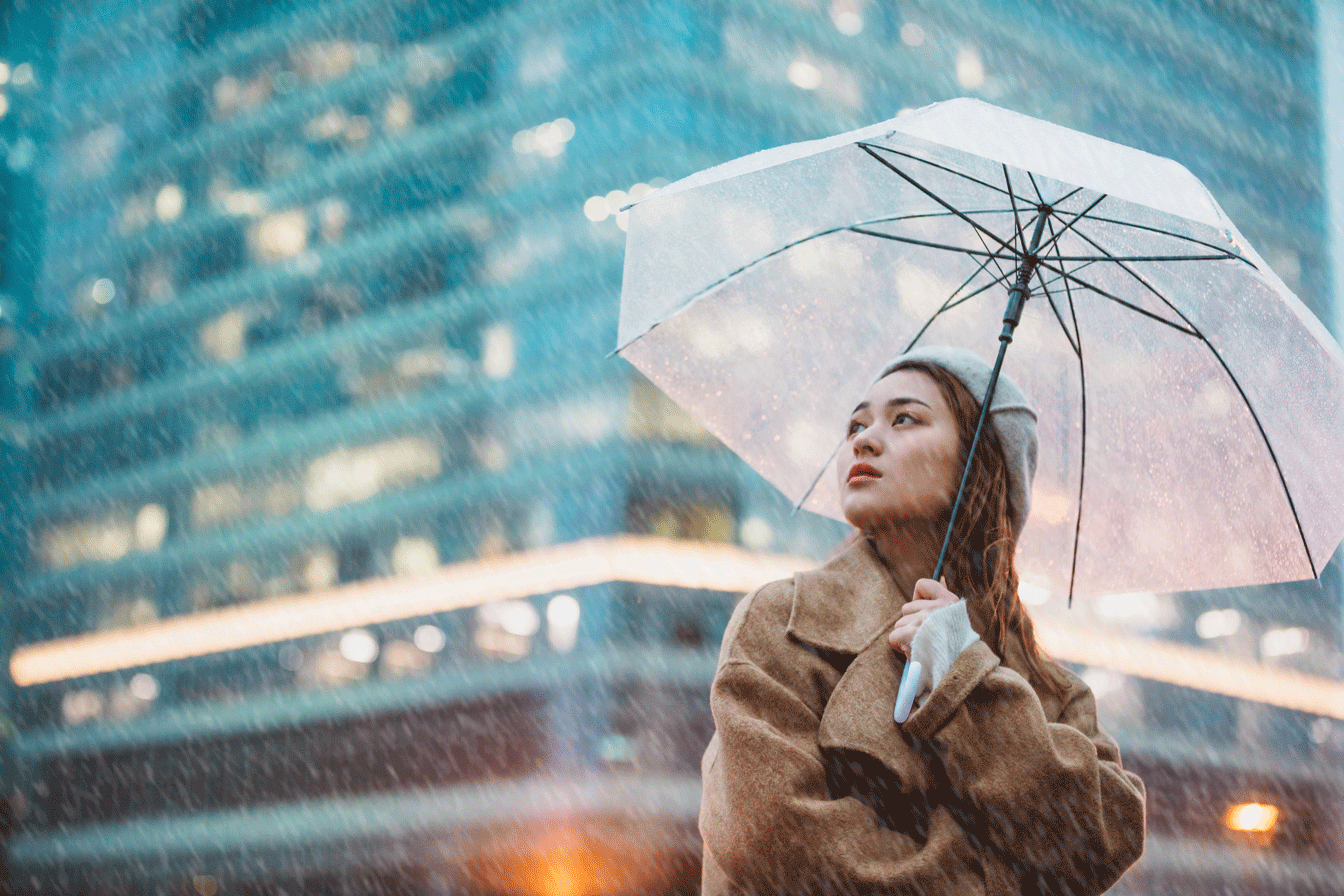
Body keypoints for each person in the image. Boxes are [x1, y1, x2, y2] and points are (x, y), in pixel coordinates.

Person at [698, 345, 1146, 895]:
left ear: (976, 465)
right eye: (856, 424)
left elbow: (1104, 837)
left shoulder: (1050, 691)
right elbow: (774, 842)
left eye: (904, 418)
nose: (862, 439)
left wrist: (966, 678)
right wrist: (997, 878)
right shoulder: (785, 623)